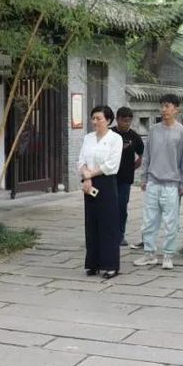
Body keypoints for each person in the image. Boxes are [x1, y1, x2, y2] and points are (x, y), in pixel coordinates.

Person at [133, 94, 183, 270]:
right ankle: (149, 254)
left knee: (171, 222)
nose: (164, 109)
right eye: (162, 106)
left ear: (176, 109)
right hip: (153, 181)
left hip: (171, 184)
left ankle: (168, 255)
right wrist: (144, 177)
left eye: (167, 106)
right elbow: (147, 155)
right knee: (149, 221)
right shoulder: (154, 130)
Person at [76, 105, 122, 279]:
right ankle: (93, 264)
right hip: (89, 183)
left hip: (106, 182)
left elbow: (111, 165)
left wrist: (90, 174)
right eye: (93, 118)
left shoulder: (115, 139)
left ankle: (110, 265)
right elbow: (81, 160)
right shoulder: (88, 138)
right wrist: (86, 177)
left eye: (99, 118)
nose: (95, 122)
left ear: (108, 120)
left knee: (108, 224)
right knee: (91, 223)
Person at [112, 107, 145, 247]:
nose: (126, 123)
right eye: (124, 120)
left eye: (129, 121)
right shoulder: (110, 134)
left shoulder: (134, 137)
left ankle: (120, 235)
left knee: (121, 207)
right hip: (109, 178)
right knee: (108, 207)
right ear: (117, 119)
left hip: (125, 179)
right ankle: (107, 234)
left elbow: (141, 156)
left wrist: (131, 168)